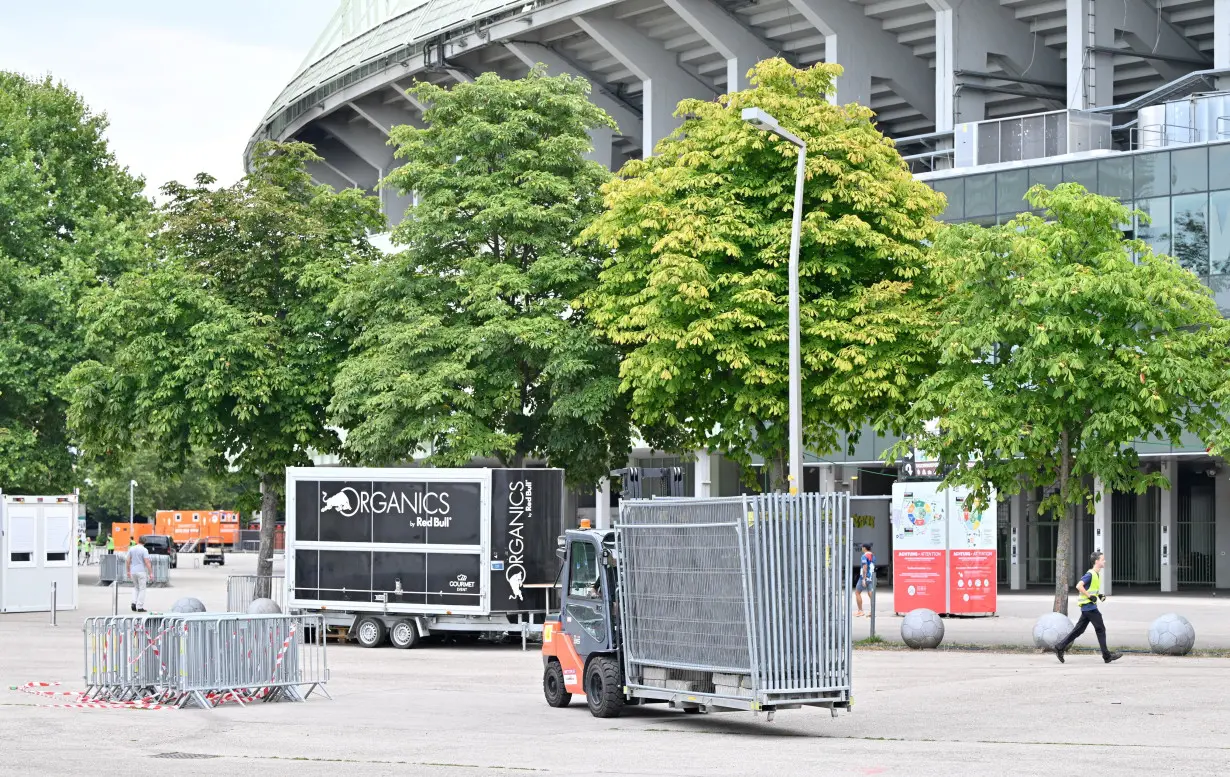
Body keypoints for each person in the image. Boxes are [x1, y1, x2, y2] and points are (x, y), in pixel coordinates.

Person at [1055, 551, 1122, 664]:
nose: (1104, 561)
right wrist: (1090, 596)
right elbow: (1078, 586)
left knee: (1079, 630)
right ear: (1097, 561)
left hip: (1088, 608)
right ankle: (1107, 656)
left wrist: (1098, 595)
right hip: (1089, 607)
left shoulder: (1096, 574)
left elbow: (1091, 588)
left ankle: (1060, 646)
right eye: (1102, 559)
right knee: (1100, 629)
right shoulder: (1090, 574)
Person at [127, 540, 152, 613]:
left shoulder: (131, 549)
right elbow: (147, 561)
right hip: (141, 571)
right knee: (142, 589)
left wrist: (128, 571)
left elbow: (127, 560)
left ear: (138, 541)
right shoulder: (144, 550)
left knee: (136, 588)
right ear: (144, 542)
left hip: (133, 571)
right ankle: (140, 606)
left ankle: (134, 603)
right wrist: (151, 572)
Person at [854, 543, 875, 618]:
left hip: (864, 577)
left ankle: (860, 611)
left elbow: (865, 567)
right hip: (871, 576)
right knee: (870, 594)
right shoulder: (873, 555)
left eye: (862, 547)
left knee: (857, 592)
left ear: (865, 548)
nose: (862, 548)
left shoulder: (864, 556)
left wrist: (863, 579)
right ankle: (872, 611)